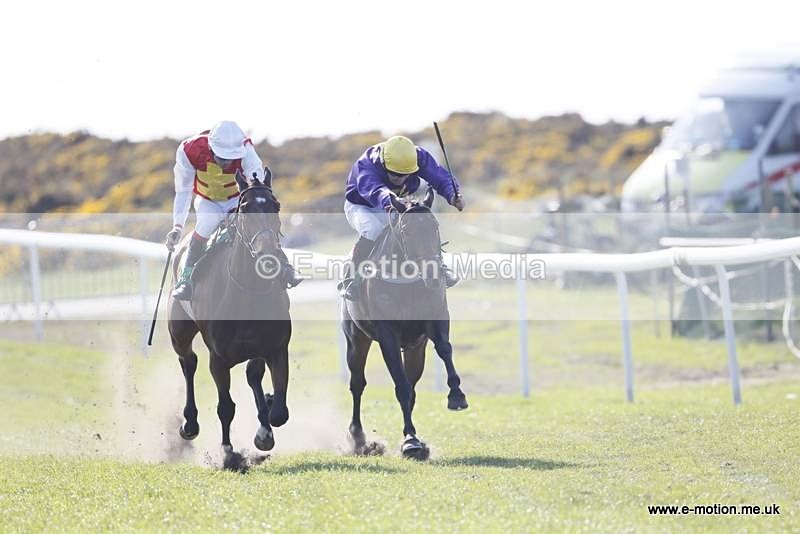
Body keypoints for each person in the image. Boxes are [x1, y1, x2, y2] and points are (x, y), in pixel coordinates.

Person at [165, 120, 300, 301]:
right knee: (206, 223)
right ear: (211, 149)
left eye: (231, 158)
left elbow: (257, 188)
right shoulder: (189, 150)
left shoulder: (247, 152)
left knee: (258, 226)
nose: (227, 163)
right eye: (222, 158)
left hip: (237, 199)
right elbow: (183, 191)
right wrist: (177, 227)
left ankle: (284, 268)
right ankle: (185, 279)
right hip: (208, 201)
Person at [341, 135, 465, 300]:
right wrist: (392, 201)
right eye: (394, 174)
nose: (399, 179)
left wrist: (452, 195)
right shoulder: (367, 164)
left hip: (395, 203)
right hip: (363, 206)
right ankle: (352, 279)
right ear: (384, 165)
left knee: (421, 224)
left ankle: (439, 267)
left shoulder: (418, 157)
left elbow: (440, 177)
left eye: (404, 175)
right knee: (374, 230)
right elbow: (376, 191)